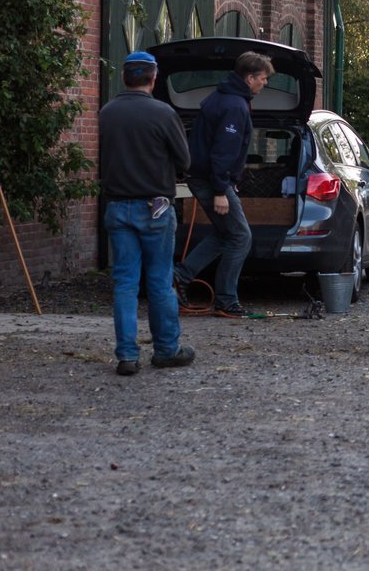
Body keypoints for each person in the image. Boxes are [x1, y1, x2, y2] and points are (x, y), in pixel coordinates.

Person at [99, 51, 195, 376]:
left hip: (116, 206)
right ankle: (167, 350)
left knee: (125, 283)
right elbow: (184, 161)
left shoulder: (107, 113)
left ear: (124, 77)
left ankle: (127, 356)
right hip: (156, 208)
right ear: (153, 79)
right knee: (159, 280)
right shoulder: (163, 113)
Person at [175, 50, 274, 318]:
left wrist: (230, 181)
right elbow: (223, 151)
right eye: (263, 78)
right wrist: (221, 189)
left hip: (208, 177)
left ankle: (180, 278)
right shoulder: (234, 105)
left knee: (226, 234)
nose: (265, 83)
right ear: (249, 77)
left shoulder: (225, 98)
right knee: (241, 237)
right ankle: (226, 300)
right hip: (210, 180)